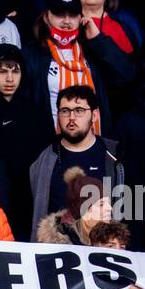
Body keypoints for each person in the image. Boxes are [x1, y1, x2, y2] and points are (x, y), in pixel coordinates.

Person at [29, 85, 123, 228]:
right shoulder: (43, 158)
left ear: (94, 115)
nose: (71, 118)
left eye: (79, 111)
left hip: (102, 245)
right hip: (55, 246)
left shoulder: (115, 154)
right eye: (65, 111)